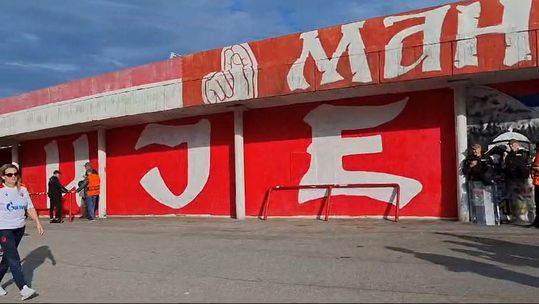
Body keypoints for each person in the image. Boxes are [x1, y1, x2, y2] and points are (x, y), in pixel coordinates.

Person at [0, 164, 44, 300]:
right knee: (14, 258)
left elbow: (29, 207)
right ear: (3, 177)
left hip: (19, 228)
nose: (13, 177)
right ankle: (23, 288)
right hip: (4, 229)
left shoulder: (23, 189)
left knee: (7, 259)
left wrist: (37, 222)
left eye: (15, 174)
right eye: (9, 174)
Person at [463, 144, 495, 224]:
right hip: (475, 181)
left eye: (476, 149)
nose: (474, 151)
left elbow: (492, 168)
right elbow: (465, 171)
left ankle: (489, 218)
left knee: (488, 199)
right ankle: (479, 218)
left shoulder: (486, 157)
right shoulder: (470, 158)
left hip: (486, 182)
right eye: (473, 149)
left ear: (480, 149)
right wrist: (471, 165)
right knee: (478, 200)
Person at [504, 139, 533, 225]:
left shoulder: (524, 153)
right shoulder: (509, 155)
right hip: (511, 179)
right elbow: (507, 166)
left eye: (512, 145)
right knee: (509, 197)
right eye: (510, 145)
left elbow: (521, 165)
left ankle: (530, 216)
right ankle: (512, 216)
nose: (510, 147)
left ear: (516, 145)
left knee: (526, 197)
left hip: (522, 178)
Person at [531, 143, 539, 228]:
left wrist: (534, 167)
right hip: (536, 181)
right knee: (536, 202)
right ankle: (537, 221)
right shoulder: (537, 156)